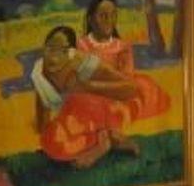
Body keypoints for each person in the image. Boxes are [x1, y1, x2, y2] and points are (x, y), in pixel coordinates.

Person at [31, 24, 168, 168]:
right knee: (49, 141)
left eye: (62, 50)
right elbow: (43, 124)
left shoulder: (82, 63)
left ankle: (100, 147)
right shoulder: (39, 73)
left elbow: (130, 88)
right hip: (77, 116)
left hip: (108, 107)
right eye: (50, 48)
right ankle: (107, 138)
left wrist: (86, 86)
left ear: (72, 53)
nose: (54, 57)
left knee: (76, 112)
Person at [78, 0, 137, 75]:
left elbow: (127, 77)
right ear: (90, 19)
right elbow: (80, 75)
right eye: (103, 16)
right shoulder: (80, 45)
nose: (109, 20)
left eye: (113, 15)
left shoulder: (123, 48)